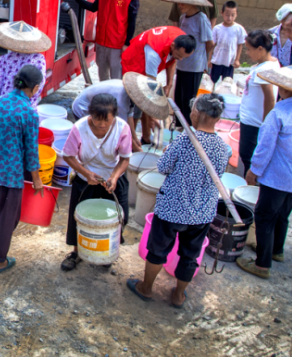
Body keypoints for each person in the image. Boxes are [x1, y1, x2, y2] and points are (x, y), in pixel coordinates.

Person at [126, 94, 231, 308]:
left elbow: (163, 167)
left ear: (198, 114)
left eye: (192, 110)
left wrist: (168, 152)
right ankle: (179, 295)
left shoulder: (185, 140)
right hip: (202, 212)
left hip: (173, 208)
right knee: (190, 255)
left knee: (158, 250)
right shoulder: (223, 147)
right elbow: (217, 174)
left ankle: (146, 288)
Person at [236, 64, 292, 280]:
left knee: (264, 217)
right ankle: (276, 251)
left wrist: (253, 170)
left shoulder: (278, 113)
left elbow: (264, 147)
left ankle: (261, 264)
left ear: (284, 89)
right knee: (282, 216)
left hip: (279, 176)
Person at [0, 65, 44, 274]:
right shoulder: (29, 113)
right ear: (36, 88)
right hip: (9, 174)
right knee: (8, 217)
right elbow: (31, 151)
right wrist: (37, 180)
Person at [59, 94, 134, 271]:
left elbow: (124, 159)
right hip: (86, 180)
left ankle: (108, 250)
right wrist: (86, 173)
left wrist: (114, 177)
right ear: (90, 114)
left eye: (106, 121)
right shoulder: (79, 128)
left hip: (112, 179)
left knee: (118, 217)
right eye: (97, 119)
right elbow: (68, 155)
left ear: (115, 115)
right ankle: (76, 252)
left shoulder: (122, 128)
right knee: (79, 217)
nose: (101, 124)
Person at [64, 0, 139, 81]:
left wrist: (126, 44)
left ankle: (116, 98)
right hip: (101, 42)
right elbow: (93, 7)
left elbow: (132, 22)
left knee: (116, 76)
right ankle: (103, 97)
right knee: (102, 74)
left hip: (117, 44)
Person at [121, 25, 196, 142]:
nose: (180, 59)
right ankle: (129, 140)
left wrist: (169, 84)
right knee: (134, 105)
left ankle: (145, 137)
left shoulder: (180, 38)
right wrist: (152, 118)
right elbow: (149, 89)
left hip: (148, 66)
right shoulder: (154, 53)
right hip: (134, 65)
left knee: (144, 106)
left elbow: (173, 59)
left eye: (183, 57)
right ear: (172, 46)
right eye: (180, 56)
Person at [163, 0, 214, 127]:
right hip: (182, 65)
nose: (180, 6)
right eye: (179, 3)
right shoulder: (182, 18)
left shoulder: (201, 18)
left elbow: (210, 43)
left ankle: (188, 130)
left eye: (184, 2)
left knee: (189, 102)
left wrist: (202, 60)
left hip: (194, 67)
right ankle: (179, 126)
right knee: (179, 99)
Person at [237, 30, 279, 176]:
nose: (247, 53)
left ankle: (250, 190)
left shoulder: (265, 69)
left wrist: (267, 123)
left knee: (248, 156)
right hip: (251, 120)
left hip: (254, 123)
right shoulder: (269, 64)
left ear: (260, 49)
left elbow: (270, 98)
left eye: (249, 49)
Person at [0, 21, 51, 105]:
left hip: (4, 105)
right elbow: (39, 86)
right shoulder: (39, 59)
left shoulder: (5, 59)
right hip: (26, 106)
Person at [72, 79, 136, 142]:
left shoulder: (129, 92)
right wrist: (136, 148)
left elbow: (129, 115)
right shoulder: (122, 98)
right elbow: (121, 128)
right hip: (82, 106)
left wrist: (135, 138)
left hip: (96, 104)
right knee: (98, 136)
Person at [209, 1, 246, 85]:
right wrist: (209, 59)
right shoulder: (217, 28)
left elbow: (240, 45)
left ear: (236, 14)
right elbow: (212, 45)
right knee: (212, 82)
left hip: (229, 61)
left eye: (233, 15)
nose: (229, 17)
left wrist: (237, 60)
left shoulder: (239, 29)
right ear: (222, 13)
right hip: (217, 61)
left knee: (227, 84)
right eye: (227, 14)